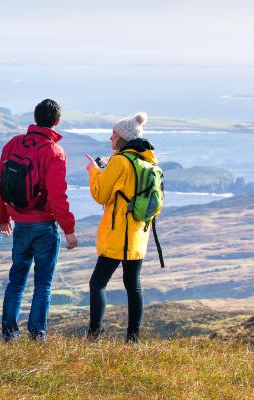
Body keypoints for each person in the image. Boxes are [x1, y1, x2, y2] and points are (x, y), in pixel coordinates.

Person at [0, 99, 77, 342]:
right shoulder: (54, 151)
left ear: (35, 117)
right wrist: (69, 230)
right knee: (43, 284)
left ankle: (9, 335)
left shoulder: (14, 143)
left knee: (16, 280)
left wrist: (3, 216)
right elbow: (57, 195)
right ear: (57, 122)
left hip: (20, 223)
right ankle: (37, 336)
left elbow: (1, 182)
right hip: (44, 226)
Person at [84, 112, 156, 343]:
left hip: (117, 235)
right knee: (133, 286)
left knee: (97, 283)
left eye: (114, 134)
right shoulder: (147, 162)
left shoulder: (120, 161)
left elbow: (101, 195)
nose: (110, 137)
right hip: (138, 235)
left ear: (123, 137)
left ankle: (94, 336)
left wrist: (94, 172)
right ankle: (132, 339)